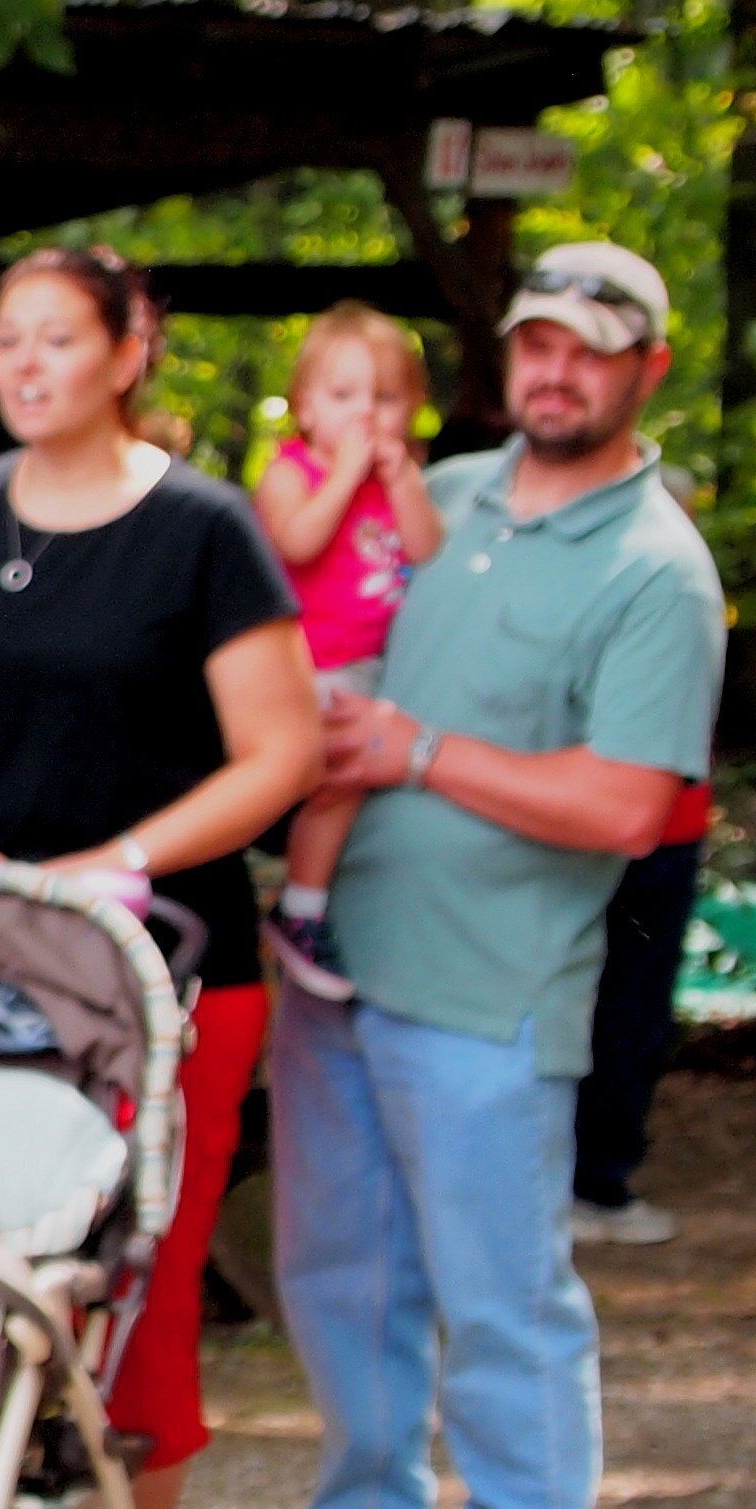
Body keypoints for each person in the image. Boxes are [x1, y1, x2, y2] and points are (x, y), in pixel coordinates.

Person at [251, 245, 724, 1509]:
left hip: (496, 988)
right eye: (535, 346)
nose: (555, 374)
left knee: (502, 1303)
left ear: (647, 368)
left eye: (589, 351)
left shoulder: (659, 569)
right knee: (341, 1285)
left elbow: (630, 808)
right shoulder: (432, 503)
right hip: (337, 965)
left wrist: (419, 754)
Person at [0, 245, 323, 1509]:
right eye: (8, 341)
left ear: (127, 350)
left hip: (167, 964)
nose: (28, 366)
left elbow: (281, 752)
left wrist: (123, 860)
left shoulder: (206, 532)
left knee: (135, 1291)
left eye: (57, 338)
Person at [257, 304, 448, 997]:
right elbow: (298, 541)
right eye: (344, 396)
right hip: (306, 667)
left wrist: (400, 482)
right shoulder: (293, 471)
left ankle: (315, 900)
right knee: (337, 782)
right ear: (305, 408)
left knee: (356, 784)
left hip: (378, 671)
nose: (366, 415)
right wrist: (344, 476)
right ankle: (300, 911)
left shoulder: (398, 481)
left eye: (385, 397)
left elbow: (432, 555)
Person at [569, 764, 711, 1247]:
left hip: (655, 821)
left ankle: (596, 1179)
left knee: (632, 1007)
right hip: (554, 811)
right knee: (625, 1004)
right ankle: (584, 1181)